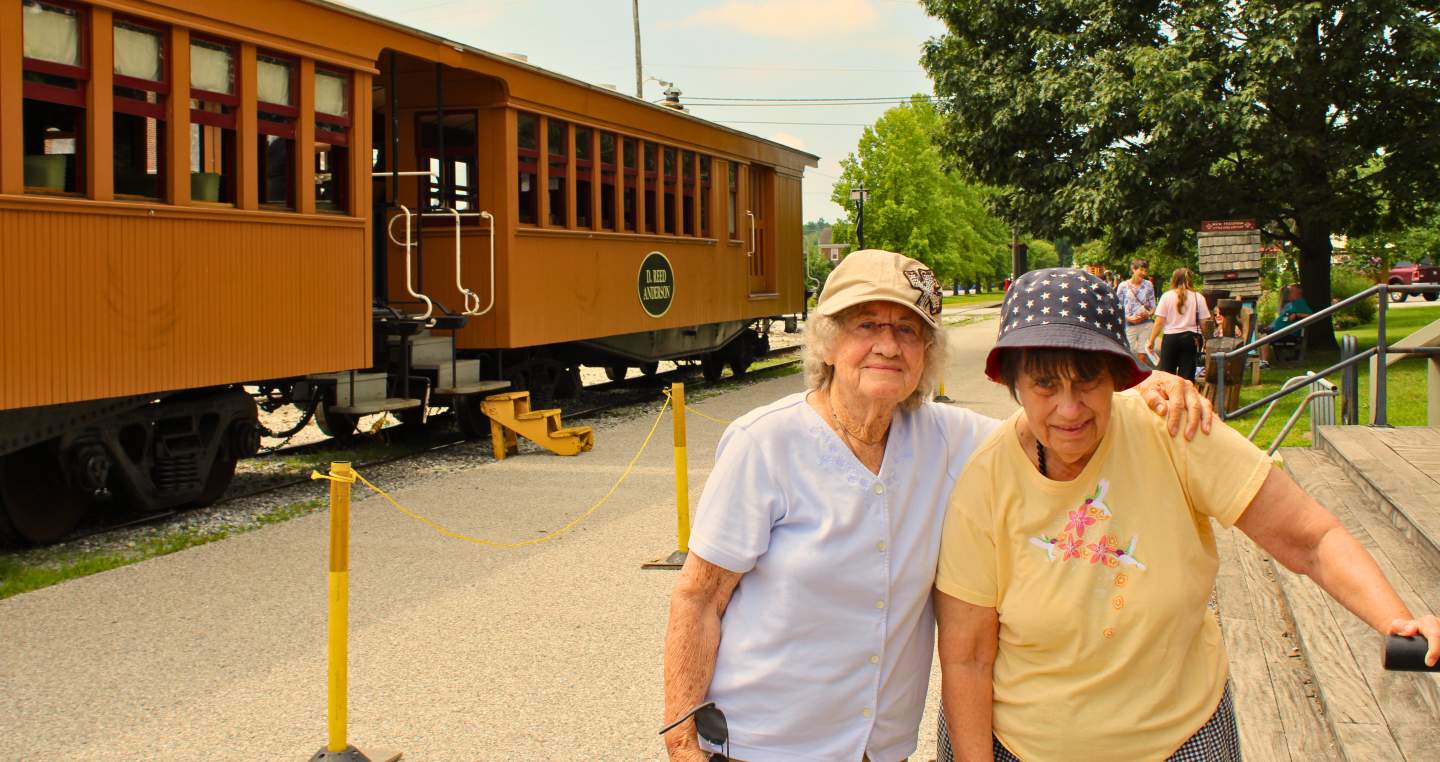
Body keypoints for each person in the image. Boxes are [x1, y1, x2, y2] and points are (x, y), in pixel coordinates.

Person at [662, 251, 1214, 762]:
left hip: (880, 749)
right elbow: (699, 598)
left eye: (908, 330)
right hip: (762, 744)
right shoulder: (766, 443)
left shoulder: (949, 437)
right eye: (867, 325)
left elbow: (1052, 420)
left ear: (927, 354)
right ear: (827, 343)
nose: (888, 345)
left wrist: (1141, 390)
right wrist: (682, 741)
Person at [932, 268, 1440, 762]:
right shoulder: (986, 479)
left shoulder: (1172, 429)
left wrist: (1398, 619)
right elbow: (967, 657)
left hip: (1181, 739)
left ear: (1117, 376)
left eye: (1088, 381)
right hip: (1025, 747)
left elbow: (1311, 538)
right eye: (1045, 385)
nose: (1069, 409)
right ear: (1014, 383)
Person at [1147, 267, 1211, 381]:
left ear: (1174, 280)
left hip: (1171, 339)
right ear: (1190, 279)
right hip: (1191, 339)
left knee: (1167, 376)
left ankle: (1169, 393)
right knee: (1187, 377)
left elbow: (1159, 321)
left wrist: (1151, 340)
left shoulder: (1166, 296)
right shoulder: (1198, 297)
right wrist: (1207, 339)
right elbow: (1204, 323)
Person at [1259, 284, 1314, 364]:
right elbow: (1285, 319)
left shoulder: (1300, 302)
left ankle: (1264, 362)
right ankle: (1260, 362)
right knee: (1260, 334)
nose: (1289, 293)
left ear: (1299, 292)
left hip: (1289, 334)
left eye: (1291, 291)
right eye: (1289, 291)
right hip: (1281, 332)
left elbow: (1312, 316)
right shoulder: (1293, 304)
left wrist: (1297, 315)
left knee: (1263, 337)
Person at [1115, 258, 1156, 364]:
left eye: (1145, 270)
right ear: (1133, 269)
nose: (1144, 273)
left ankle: (1142, 374)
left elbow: (1153, 306)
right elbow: (1117, 307)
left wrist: (1148, 314)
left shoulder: (1148, 285)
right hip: (1129, 325)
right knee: (1128, 355)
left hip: (1146, 324)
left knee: (1142, 355)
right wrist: (1128, 318)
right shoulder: (1123, 286)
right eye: (1141, 270)